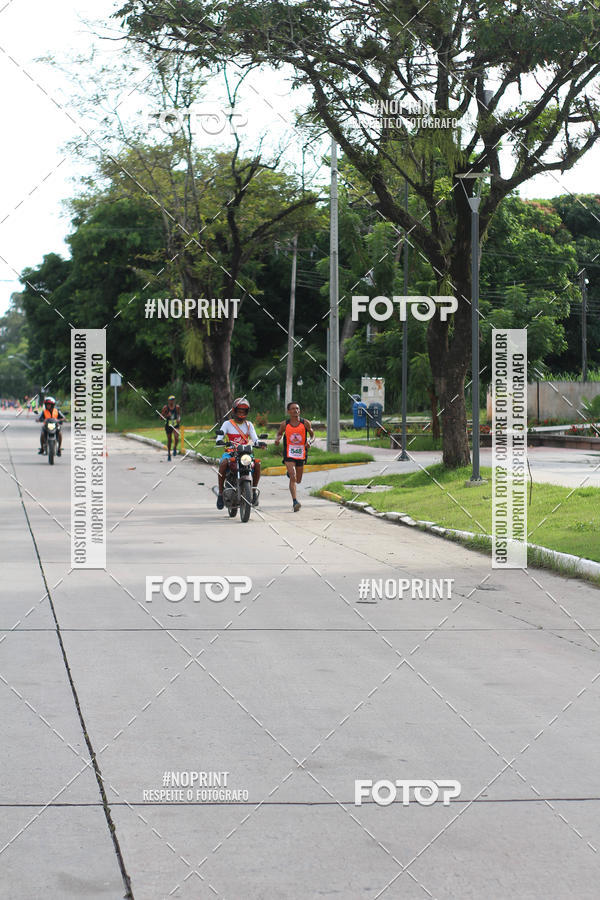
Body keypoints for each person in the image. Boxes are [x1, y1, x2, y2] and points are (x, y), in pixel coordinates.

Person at [215, 398, 263, 509]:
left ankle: (254, 490)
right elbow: (220, 437)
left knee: (257, 464)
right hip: (231, 453)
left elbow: (255, 438)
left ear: (246, 412)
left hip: (245, 453)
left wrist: (259, 443)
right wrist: (220, 441)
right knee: (223, 464)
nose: (241, 413)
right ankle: (221, 493)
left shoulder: (249, 425)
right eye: (239, 411)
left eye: (243, 411)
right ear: (234, 411)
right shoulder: (227, 424)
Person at [274, 401, 314, 512]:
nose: (295, 410)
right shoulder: (284, 424)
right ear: (288, 411)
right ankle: (295, 501)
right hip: (289, 453)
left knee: (298, 480)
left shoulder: (305, 423)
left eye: (297, 408)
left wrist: (310, 442)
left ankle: (291, 473)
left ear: (299, 411)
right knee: (293, 476)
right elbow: (279, 433)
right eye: (292, 409)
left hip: (301, 454)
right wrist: (277, 439)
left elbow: (312, 435)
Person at [161, 395, 181, 461]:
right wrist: (167, 415)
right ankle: (169, 454)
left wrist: (178, 419)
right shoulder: (165, 408)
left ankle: (175, 448)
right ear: (168, 401)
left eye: (173, 400)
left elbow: (179, 415)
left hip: (175, 424)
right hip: (168, 425)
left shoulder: (177, 407)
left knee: (176, 437)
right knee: (169, 440)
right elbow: (161, 417)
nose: (172, 401)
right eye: (171, 400)